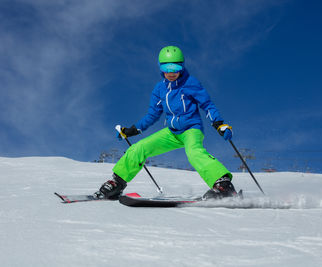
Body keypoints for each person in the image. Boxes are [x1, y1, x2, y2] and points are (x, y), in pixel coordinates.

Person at [94, 45, 237, 200]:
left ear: (182, 66)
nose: (171, 72)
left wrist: (219, 123)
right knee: (139, 148)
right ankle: (117, 183)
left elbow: (207, 105)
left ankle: (223, 185)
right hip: (172, 132)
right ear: (160, 68)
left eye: (175, 67)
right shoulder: (160, 89)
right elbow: (153, 114)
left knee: (194, 152)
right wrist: (132, 130)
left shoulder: (191, 83)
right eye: (166, 68)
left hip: (191, 129)